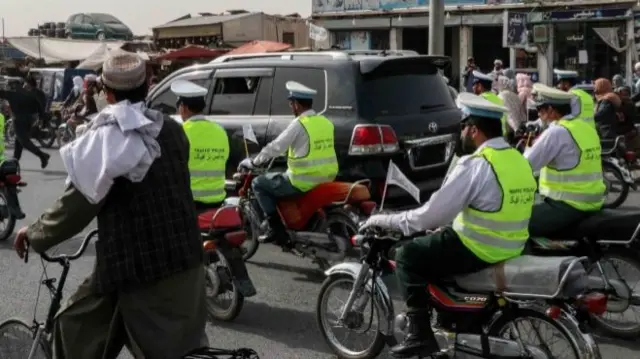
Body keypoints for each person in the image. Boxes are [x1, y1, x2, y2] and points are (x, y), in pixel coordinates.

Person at [12, 51, 207, 359]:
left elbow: (75, 206)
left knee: (71, 329)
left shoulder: (110, 140)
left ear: (107, 92)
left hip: (138, 269)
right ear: (148, 86)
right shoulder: (171, 130)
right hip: (187, 260)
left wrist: (33, 234)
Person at [362, 93, 537, 358]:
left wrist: (386, 220)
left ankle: (419, 335)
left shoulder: (476, 164)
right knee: (435, 243)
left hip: (478, 249)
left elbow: (429, 216)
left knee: (408, 255)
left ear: (475, 129)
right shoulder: (517, 159)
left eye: (464, 127)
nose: (462, 133)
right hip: (513, 246)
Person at [238, 81, 338, 245]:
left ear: (297, 104)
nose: (291, 107)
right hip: (327, 177)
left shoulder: (299, 124)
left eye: (291, 104)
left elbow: (276, 147)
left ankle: (275, 229)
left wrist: (255, 162)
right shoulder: (325, 122)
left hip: (302, 181)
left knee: (259, 183)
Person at [525, 83, 605, 237]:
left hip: (567, 205)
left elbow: (526, 164)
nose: (538, 113)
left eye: (540, 109)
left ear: (551, 110)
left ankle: (531, 261)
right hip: (593, 201)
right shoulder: (585, 128)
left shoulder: (557, 132)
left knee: (516, 223)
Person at [171, 79, 230, 211]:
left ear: (184, 107)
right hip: (218, 200)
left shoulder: (181, 131)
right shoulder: (220, 130)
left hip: (191, 202)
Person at [0, 79, 50, 168]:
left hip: (19, 120)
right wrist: (42, 118)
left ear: (13, 86)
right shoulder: (29, 93)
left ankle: (42, 156)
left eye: (9, 85)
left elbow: (2, 93)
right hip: (29, 121)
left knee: (24, 141)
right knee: (18, 140)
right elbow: (39, 106)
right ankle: (15, 161)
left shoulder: (12, 94)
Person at [472, 70, 508, 135]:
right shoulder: (497, 98)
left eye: (474, 85)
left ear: (480, 86)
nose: (472, 87)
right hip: (501, 134)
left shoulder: (480, 99)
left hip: (487, 136)